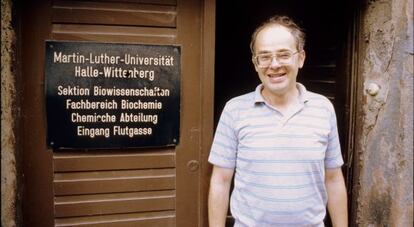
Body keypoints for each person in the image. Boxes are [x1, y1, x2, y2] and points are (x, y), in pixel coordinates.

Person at [208, 15, 348, 227]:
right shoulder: (234, 110)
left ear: (300, 58)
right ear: (255, 63)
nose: (274, 65)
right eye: (264, 57)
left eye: (283, 55)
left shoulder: (323, 108)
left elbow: (334, 179)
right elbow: (220, 181)